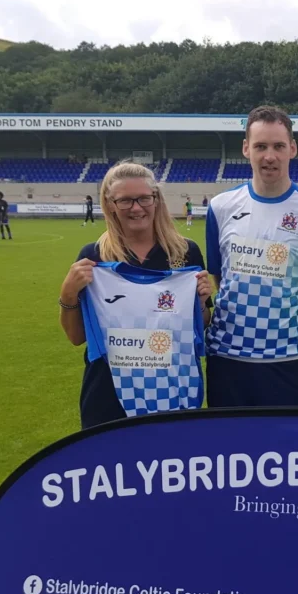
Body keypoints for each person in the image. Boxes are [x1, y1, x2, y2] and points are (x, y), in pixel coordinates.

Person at [57, 161, 212, 429]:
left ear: (156, 199)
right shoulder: (94, 256)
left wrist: (199, 303)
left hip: (172, 389)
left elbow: (202, 323)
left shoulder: (185, 252)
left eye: (143, 198)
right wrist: (68, 295)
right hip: (108, 395)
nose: (136, 208)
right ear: (110, 204)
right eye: (125, 200)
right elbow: (76, 337)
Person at [205, 105, 298, 407]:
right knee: (227, 438)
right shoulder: (221, 207)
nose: (270, 156)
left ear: (293, 148)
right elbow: (220, 277)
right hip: (227, 357)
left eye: (278, 146)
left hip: (289, 359)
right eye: (261, 146)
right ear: (246, 149)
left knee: (292, 439)